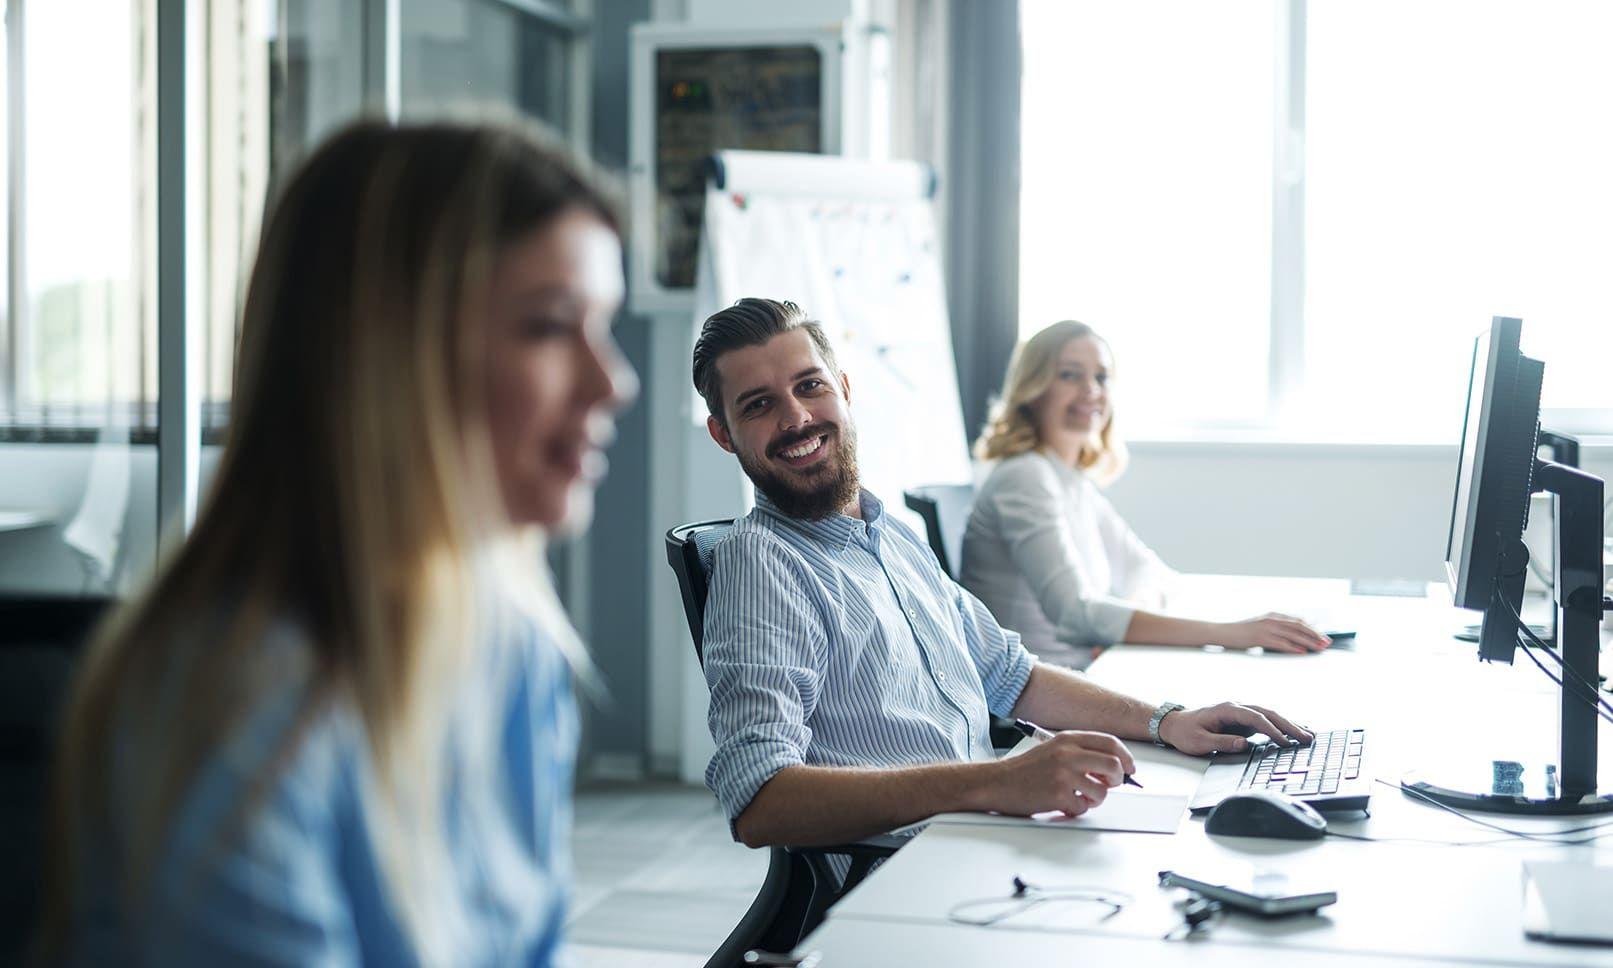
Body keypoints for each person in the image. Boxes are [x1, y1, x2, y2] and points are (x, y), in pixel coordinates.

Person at [37, 118, 635, 965]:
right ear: (390, 357)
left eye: (603, 327)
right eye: (547, 326)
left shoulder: (511, 650)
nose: (613, 381)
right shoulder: (236, 702)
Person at [689, 298, 1312, 849]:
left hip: (982, 829)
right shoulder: (762, 565)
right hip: (910, 864)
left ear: (845, 390)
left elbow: (1010, 676)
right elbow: (760, 801)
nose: (796, 418)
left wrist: (1168, 721)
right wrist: (1000, 781)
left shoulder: (890, 536)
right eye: (760, 405)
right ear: (724, 435)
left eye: (809, 386)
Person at [961, 320, 1331, 669]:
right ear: (1033, 388)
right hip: (1040, 701)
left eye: (1101, 377)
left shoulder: (1071, 481)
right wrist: (1232, 633)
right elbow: (1075, 615)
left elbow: (1150, 571)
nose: (1091, 389)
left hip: (1087, 672)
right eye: (1070, 375)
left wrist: (1113, 622)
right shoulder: (1024, 476)